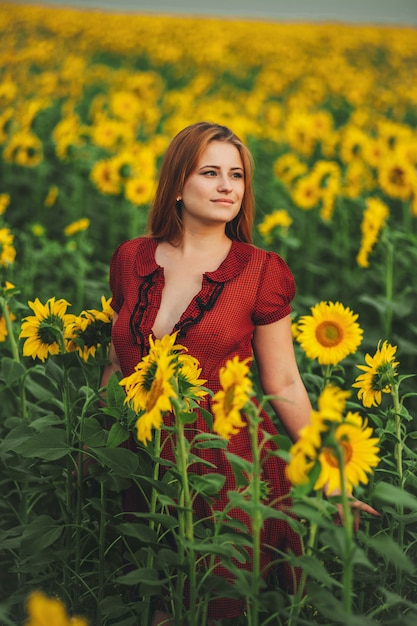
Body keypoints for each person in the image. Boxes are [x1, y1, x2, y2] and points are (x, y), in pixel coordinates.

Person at [100, 121, 378, 625]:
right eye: (210, 172)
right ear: (177, 185)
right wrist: (94, 448)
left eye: (237, 175)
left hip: (225, 468)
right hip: (139, 460)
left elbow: (285, 382)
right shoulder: (131, 258)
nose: (228, 186)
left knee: (213, 602)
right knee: (147, 599)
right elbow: (118, 360)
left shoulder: (259, 271)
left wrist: (331, 471)